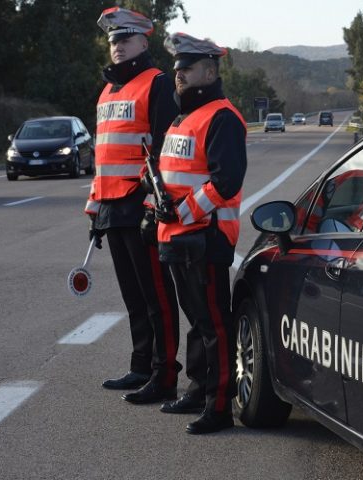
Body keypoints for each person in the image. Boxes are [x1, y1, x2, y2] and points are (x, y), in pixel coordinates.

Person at [85, 7, 181, 405]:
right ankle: (141, 365)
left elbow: (164, 151)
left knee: (157, 295)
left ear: (144, 41)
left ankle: (165, 374)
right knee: (133, 296)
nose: (118, 47)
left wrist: (149, 205)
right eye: (113, 41)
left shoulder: (157, 84)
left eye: (125, 40)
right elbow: (103, 155)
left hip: (140, 207)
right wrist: (95, 209)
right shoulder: (107, 91)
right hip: (111, 207)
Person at [154, 32, 247, 434]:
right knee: (197, 320)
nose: (179, 75)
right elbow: (172, 174)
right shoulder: (182, 116)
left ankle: (220, 406)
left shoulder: (222, 116)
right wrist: (153, 208)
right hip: (178, 236)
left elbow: (226, 182)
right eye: (177, 69)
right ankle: (197, 389)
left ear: (209, 71)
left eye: (187, 69)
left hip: (205, 237)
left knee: (214, 325)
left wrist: (183, 214)